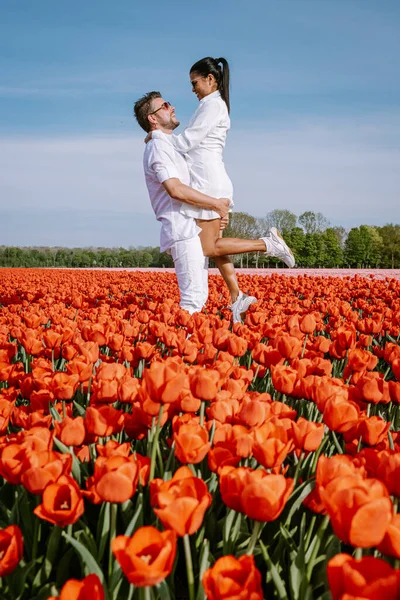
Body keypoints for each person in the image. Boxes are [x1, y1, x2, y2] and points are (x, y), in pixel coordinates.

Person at [146, 57, 295, 322]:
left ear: (210, 79)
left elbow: (188, 141)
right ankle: (236, 296)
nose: (192, 89)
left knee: (207, 247)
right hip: (209, 179)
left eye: (195, 82)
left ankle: (266, 244)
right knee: (216, 247)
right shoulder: (210, 105)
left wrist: (157, 136)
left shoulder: (212, 106)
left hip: (208, 181)